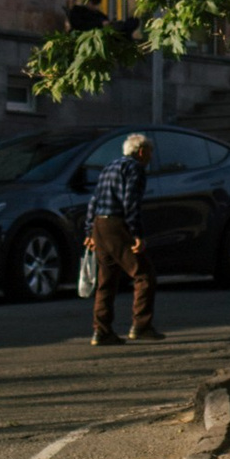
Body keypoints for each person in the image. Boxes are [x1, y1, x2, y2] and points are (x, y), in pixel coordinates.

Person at [85, 131, 159, 345]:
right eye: (150, 152)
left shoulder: (109, 167)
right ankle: (141, 326)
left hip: (100, 224)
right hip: (118, 224)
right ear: (142, 151)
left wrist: (89, 231)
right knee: (144, 275)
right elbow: (130, 202)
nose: (151, 157)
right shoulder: (135, 168)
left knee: (106, 280)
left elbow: (94, 199)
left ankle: (101, 331)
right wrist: (136, 234)